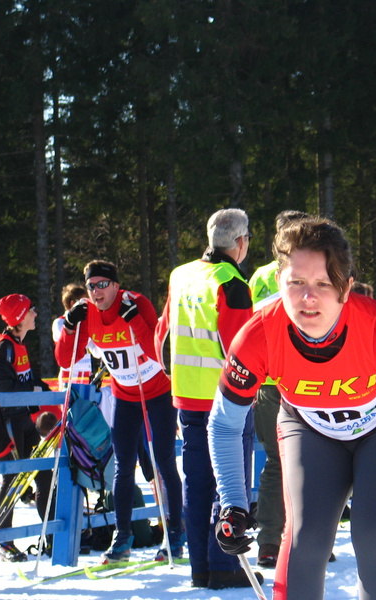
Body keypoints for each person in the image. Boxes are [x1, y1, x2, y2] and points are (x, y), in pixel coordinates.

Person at [208, 217, 376, 600]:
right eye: (296, 282)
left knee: (373, 536)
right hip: (311, 428)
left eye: (323, 284)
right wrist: (231, 501)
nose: (308, 298)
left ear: (345, 287)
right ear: (279, 281)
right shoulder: (258, 335)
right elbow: (224, 424)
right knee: (304, 539)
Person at [155, 208, 259, 590]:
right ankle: (224, 566)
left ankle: (200, 566)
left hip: (186, 396)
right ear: (241, 242)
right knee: (229, 482)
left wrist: (172, 376)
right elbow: (240, 349)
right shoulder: (231, 282)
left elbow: (161, 335)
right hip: (225, 400)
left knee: (196, 482)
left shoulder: (180, 274)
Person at [55, 260, 183, 563]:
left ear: (115, 285)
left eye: (102, 284)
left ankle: (176, 535)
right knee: (122, 465)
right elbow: (64, 359)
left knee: (163, 460)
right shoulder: (87, 313)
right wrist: (70, 327)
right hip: (125, 393)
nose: (96, 291)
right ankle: (122, 537)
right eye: (91, 286)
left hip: (158, 391)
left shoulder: (136, 303)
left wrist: (133, 319)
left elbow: (156, 350)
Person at [245, 209, 309, 568]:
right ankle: (270, 540)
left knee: (313, 461)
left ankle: (308, 538)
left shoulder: (317, 269)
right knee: (278, 461)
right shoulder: (262, 277)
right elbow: (250, 327)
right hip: (273, 383)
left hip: (312, 381)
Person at [0, 293, 52, 562]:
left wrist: (44, 389)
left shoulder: (19, 344)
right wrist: (32, 389)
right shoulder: (4, 346)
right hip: (8, 420)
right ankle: (4, 543)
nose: (35, 313)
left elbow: (27, 379)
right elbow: (2, 387)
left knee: (44, 473)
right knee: (12, 478)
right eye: (31, 310)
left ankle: (52, 534)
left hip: (24, 419)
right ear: (20, 317)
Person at [51, 283, 93, 390]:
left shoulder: (87, 323)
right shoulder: (60, 322)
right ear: (73, 303)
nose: (87, 306)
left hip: (86, 372)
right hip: (69, 374)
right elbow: (71, 343)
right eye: (84, 303)